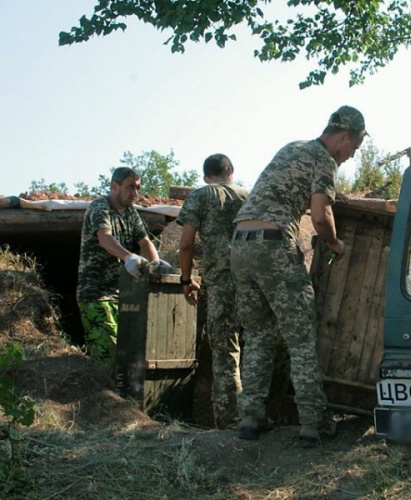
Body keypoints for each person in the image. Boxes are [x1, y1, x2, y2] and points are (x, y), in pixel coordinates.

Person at [230, 105, 366, 447]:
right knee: (300, 336)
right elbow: (320, 215)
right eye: (354, 148)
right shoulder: (324, 160)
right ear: (344, 136)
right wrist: (336, 244)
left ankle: (252, 417)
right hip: (273, 246)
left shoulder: (293, 147)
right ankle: (313, 423)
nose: (350, 157)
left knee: (259, 334)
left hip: (240, 246)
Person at [176, 153, 249, 429]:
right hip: (253, 280)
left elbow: (185, 244)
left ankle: (229, 420)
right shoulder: (248, 195)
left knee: (225, 349)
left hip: (220, 283)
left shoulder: (201, 195)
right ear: (231, 171)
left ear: (206, 176)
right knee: (256, 344)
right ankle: (254, 413)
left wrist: (186, 280)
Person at [77, 167, 164, 367]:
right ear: (114, 186)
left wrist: (155, 264)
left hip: (121, 295)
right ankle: (102, 397)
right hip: (95, 295)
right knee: (107, 354)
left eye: (138, 188)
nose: (135, 193)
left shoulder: (131, 212)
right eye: (130, 187)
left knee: (128, 355)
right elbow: (104, 238)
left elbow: (145, 242)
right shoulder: (101, 207)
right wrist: (128, 258)